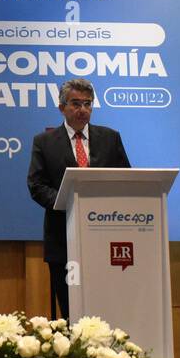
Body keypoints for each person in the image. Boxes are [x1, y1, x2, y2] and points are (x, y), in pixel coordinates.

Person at [27, 78, 131, 320]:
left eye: (88, 104)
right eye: (76, 103)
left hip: (105, 240)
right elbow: (36, 185)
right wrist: (69, 202)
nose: (83, 109)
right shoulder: (44, 142)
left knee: (105, 310)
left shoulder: (110, 138)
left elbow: (125, 179)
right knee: (70, 313)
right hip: (63, 241)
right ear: (62, 107)